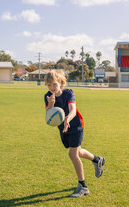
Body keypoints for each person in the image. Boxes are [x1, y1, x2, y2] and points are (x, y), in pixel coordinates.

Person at [44, 70, 105, 198]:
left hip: (76, 126)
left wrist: (67, 119)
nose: (51, 88)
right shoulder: (48, 96)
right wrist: (51, 104)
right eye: (49, 85)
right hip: (63, 129)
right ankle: (97, 159)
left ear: (61, 83)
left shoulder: (69, 93)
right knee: (78, 152)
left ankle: (83, 186)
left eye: (54, 84)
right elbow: (48, 115)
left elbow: (73, 110)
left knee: (72, 154)